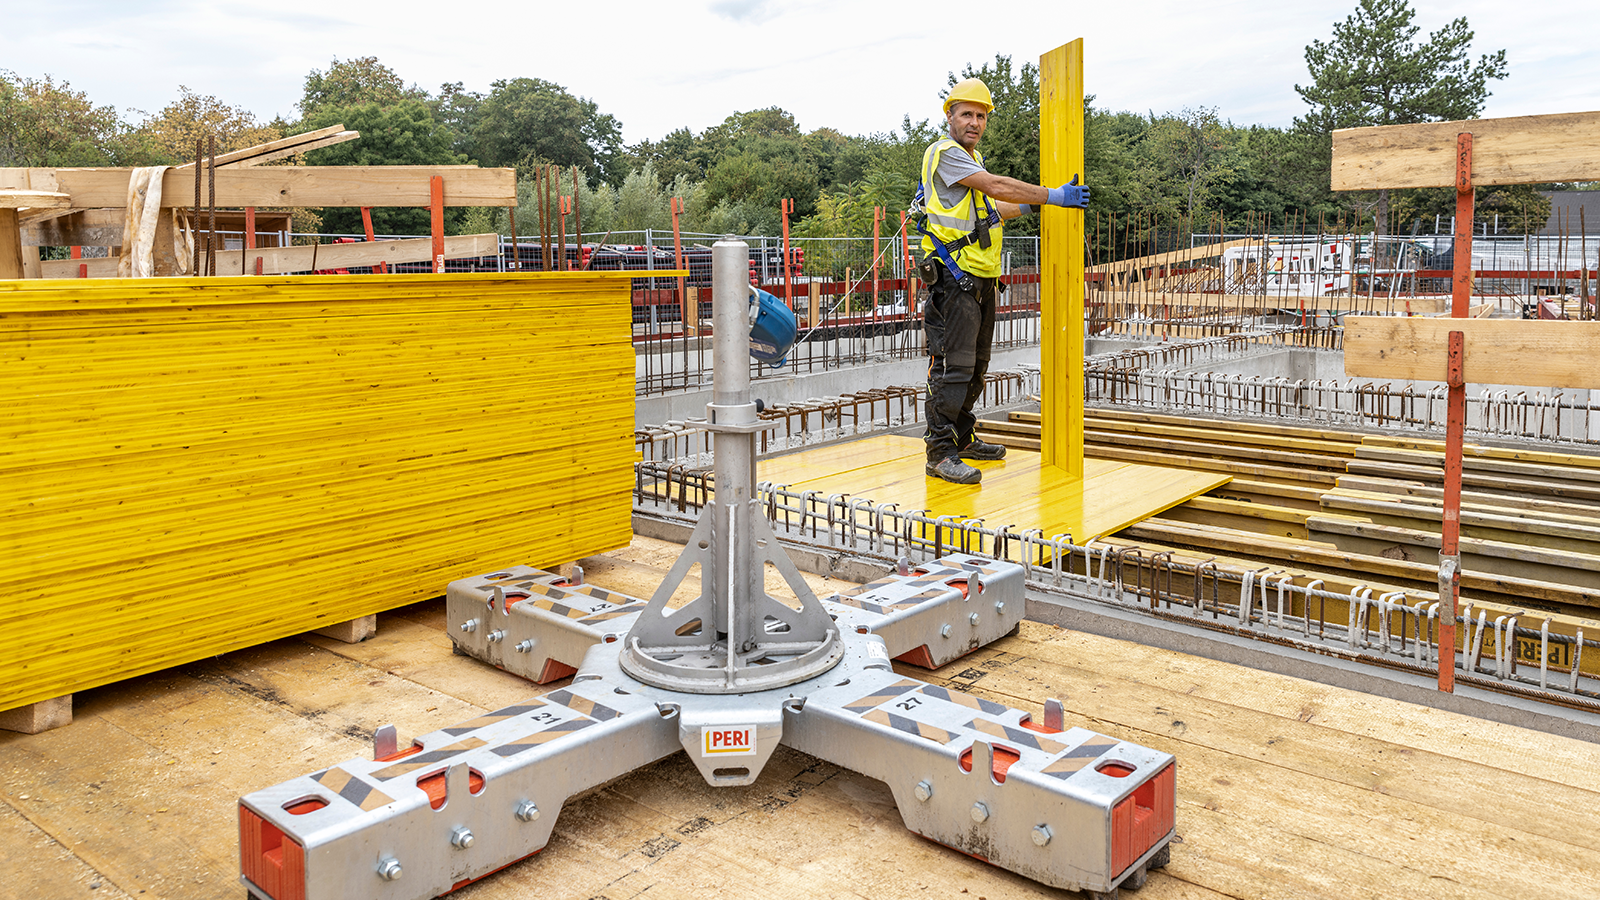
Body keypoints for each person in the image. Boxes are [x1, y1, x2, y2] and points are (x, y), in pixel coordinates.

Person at [915, 77, 1090, 484]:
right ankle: (940, 453)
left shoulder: (970, 164)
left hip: (980, 280)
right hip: (953, 282)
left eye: (980, 116)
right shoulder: (946, 154)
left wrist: (1033, 207)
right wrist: (1051, 195)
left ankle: (961, 438)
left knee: (975, 368)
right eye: (966, 114)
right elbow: (995, 185)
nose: (974, 122)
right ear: (950, 116)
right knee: (952, 369)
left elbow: (992, 208)